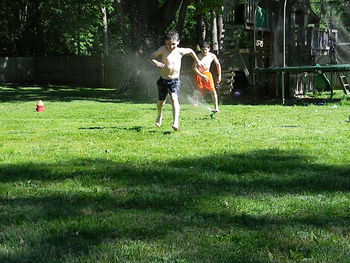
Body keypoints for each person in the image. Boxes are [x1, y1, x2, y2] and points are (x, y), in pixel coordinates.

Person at [150, 30, 204, 131]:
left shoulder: (180, 51)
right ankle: (159, 115)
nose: (171, 47)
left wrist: (198, 61)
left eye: (173, 44)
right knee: (161, 102)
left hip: (174, 80)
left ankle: (176, 122)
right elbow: (151, 56)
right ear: (165, 43)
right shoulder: (162, 49)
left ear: (178, 41)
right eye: (168, 45)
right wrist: (156, 62)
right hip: (163, 80)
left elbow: (191, 51)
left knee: (174, 99)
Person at [192, 41, 221, 112]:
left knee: (213, 91)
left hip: (208, 74)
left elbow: (218, 65)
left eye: (205, 49)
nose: (204, 51)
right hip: (199, 75)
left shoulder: (212, 56)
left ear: (209, 48)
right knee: (201, 92)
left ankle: (216, 107)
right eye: (202, 50)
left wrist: (219, 75)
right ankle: (195, 100)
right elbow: (193, 68)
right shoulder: (198, 56)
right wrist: (201, 75)